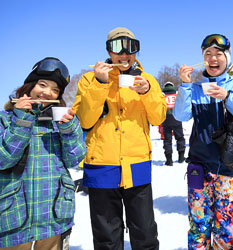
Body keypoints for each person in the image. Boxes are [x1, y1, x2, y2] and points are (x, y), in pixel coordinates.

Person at [72, 27, 166, 250]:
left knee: (145, 233)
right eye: (117, 47)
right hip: (101, 165)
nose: (124, 54)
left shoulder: (147, 80)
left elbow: (158, 117)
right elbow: (84, 120)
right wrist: (100, 83)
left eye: (131, 48)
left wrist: (147, 92)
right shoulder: (89, 79)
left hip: (137, 165)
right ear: (109, 51)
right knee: (107, 236)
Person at [0, 57, 87, 249]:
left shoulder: (60, 122)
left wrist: (69, 130)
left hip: (54, 215)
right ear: (29, 86)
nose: (47, 92)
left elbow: (75, 159)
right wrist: (22, 121)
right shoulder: (1, 119)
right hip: (13, 217)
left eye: (55, 90)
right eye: (42, 84)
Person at [174, 34, 233, 249]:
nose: (213, 58)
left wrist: (227, 97)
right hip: (200, 167)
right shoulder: (194, 88)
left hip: (231, 169)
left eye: (218, 54)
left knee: (226, 229)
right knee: (198, 227)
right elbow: (181, 116)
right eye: (208, 54)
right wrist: (185, 85)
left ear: (227, 57)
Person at [161, 82, 186, 166]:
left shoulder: (162, 94)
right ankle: (181, 157)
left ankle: (169, 160)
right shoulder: (177, 93)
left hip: (166, 119)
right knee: (180, 138)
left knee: (167, 139)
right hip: (176, 117)